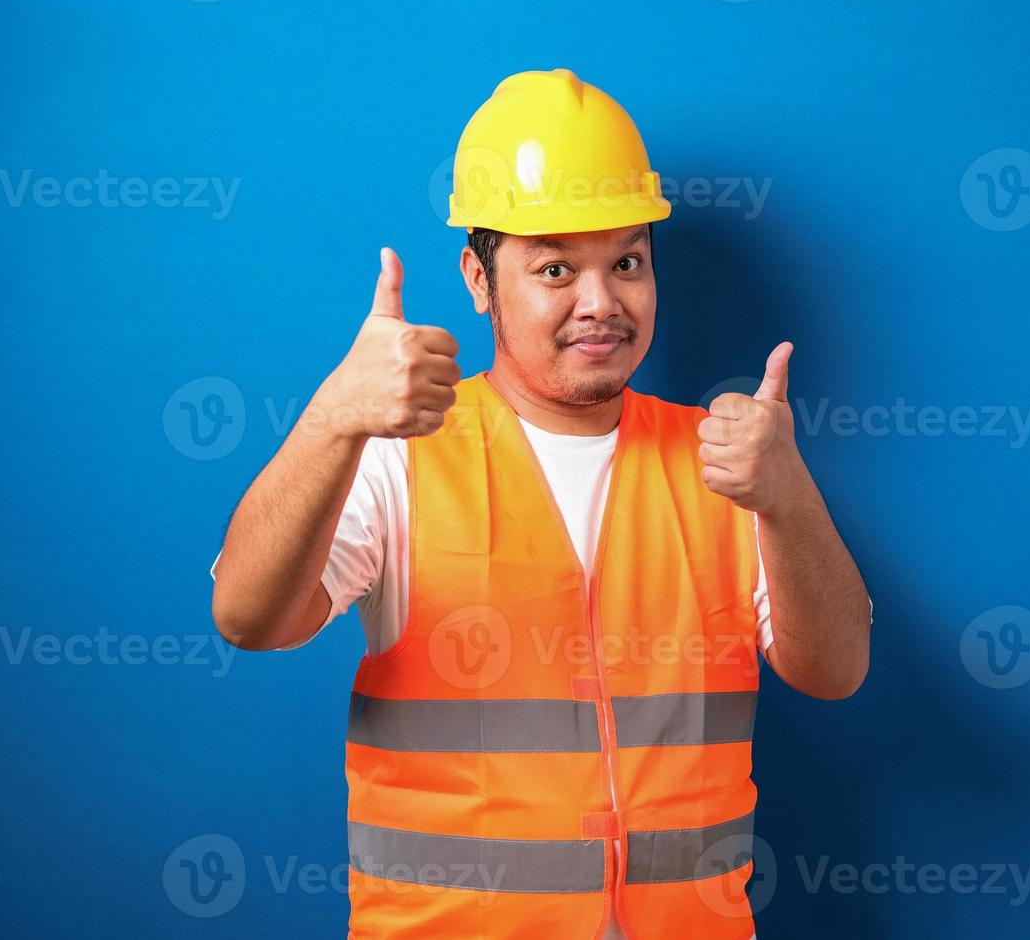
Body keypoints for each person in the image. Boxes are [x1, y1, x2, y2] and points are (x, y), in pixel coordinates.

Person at [211, 68, 872, 939]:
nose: (600, 304)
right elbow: (249, 618)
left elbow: (834, 672)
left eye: (627, 262)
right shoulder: (398, 457)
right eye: (554, 266)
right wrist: (334, 420)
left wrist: (789, 500)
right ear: (479, 280)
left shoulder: (729, 462)